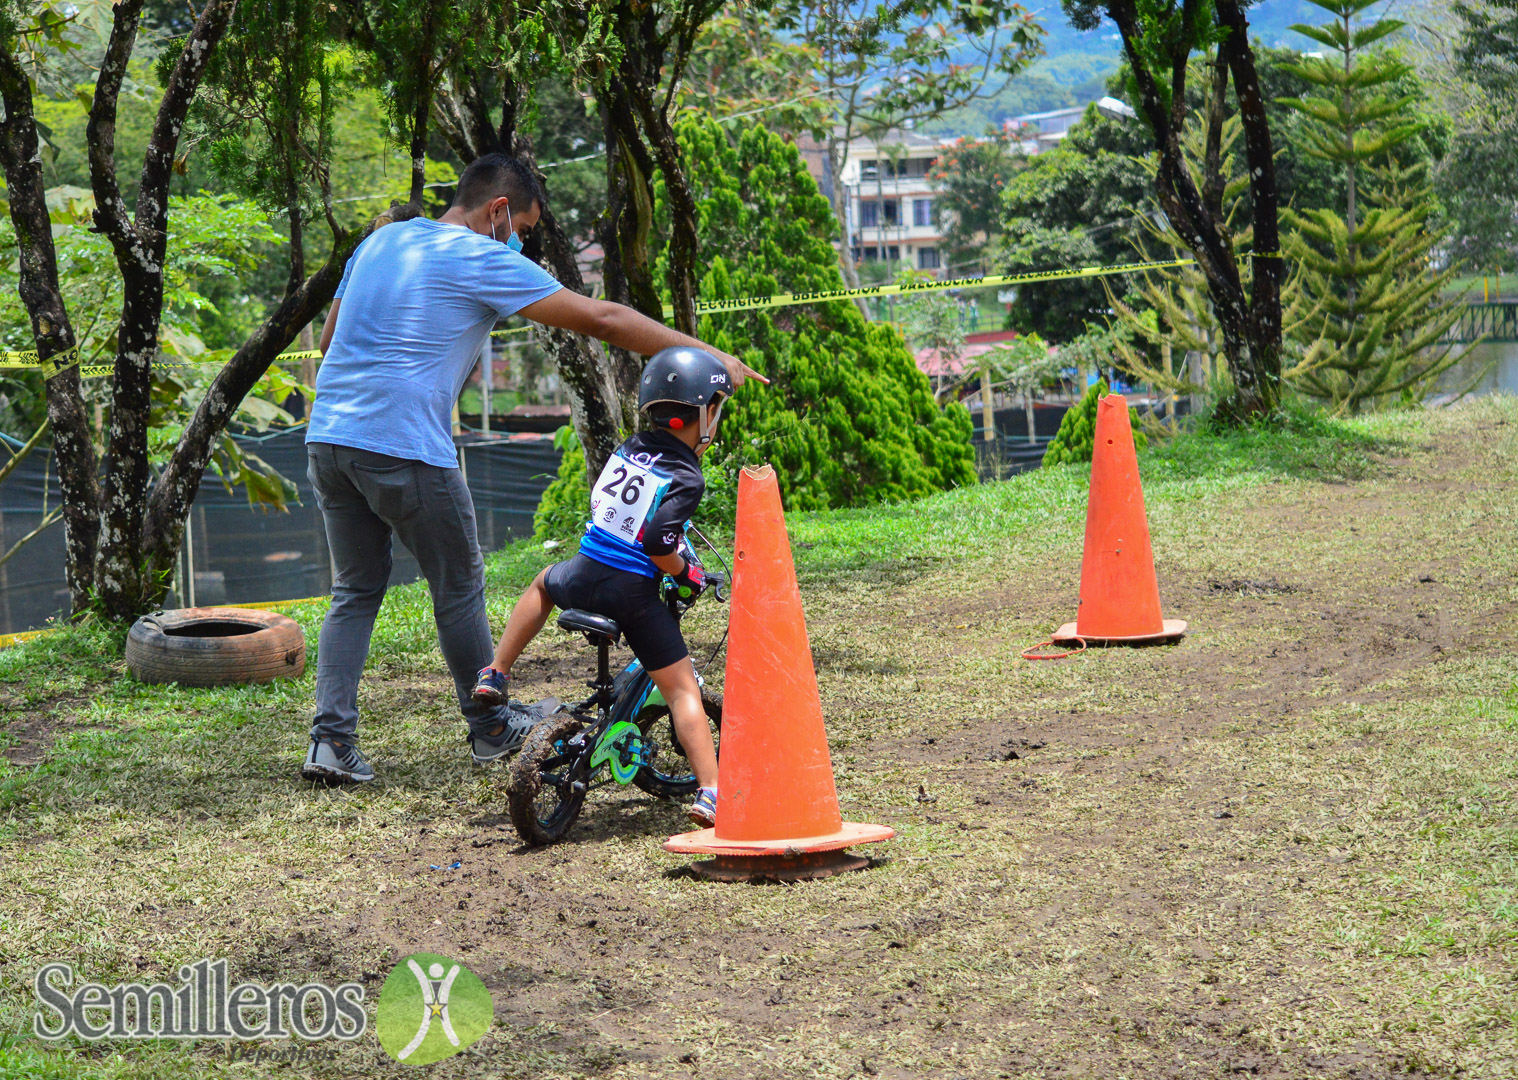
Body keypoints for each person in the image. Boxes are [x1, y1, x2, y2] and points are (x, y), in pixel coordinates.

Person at [301, 153, 762, 784]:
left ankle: (331, 744)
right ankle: (491, 730)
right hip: (404, 444)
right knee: (459, 584)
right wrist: (707, 354)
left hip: (328, 437)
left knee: (354, 591)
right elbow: (601, 318)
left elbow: (328, 343)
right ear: (496, 212)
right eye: (522, 228)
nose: (520, 243)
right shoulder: (480, 255)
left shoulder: (381, 241)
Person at [472, 346, 726, 825]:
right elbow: (656, 541)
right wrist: (685, 573)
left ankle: (496, 672)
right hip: (628, 594)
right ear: (705, 413)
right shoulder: (688, 475)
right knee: (682, 692)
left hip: (582, 573)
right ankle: (712, 792)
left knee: (542, 584)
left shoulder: (628, 448)